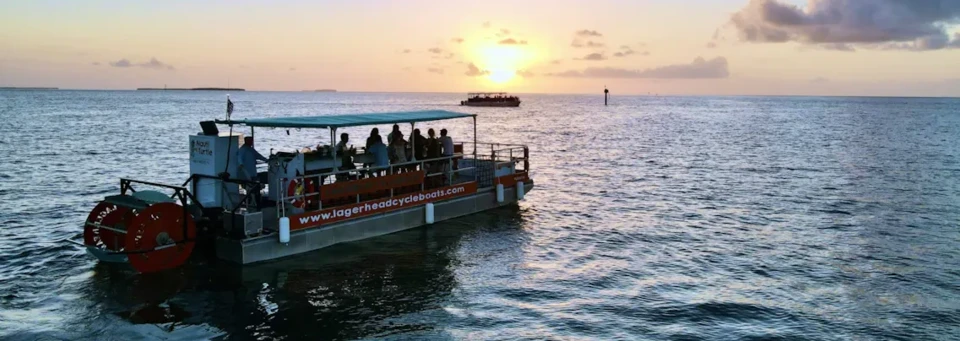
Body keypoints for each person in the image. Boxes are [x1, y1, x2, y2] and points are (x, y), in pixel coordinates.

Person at [236, 136, 267, 207]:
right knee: (249, 189)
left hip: (253, 173)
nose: (252, 142)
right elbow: (239, 158)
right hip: (247, 174)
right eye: (250, 141)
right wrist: (241, 165)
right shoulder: (242, 150)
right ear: (246, 141)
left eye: (252, 140)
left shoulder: (251, 149)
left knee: (256, 188)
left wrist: (266, 160)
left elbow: (258, 156)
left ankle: (256, 202)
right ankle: (250, 203)